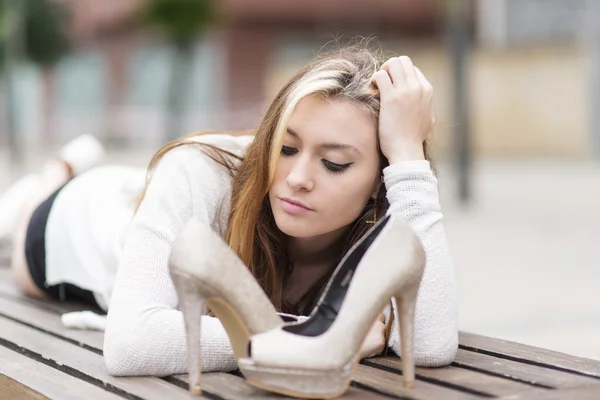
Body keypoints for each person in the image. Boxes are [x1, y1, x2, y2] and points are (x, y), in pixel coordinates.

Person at [5, 43, 457, 377]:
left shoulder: (389, 204)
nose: (298, 177)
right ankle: (54, 175)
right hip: (76, 219)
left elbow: (429, 343)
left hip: (144, 201)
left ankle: (62, 166)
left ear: (380, 181)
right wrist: (315, 335)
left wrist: (408, 160)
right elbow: (131, 343)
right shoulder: (197, 168)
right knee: (20, 216)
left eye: (334, 163)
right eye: (286, 147)